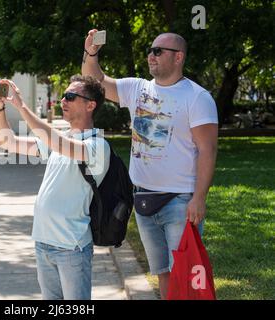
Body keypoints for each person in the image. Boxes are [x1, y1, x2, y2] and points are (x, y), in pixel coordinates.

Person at [82, 30, 218, 299]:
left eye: (158, 51)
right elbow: (94, 80)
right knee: (163, 272)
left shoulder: (197, 97)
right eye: (150, 50)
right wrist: (91, 52)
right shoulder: (137, 88)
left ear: (178, 57)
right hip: (143, 198)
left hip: (180, 201)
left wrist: (199, 198)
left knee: (185, 271)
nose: (150, 56)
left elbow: (208, 149)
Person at [0, 75, 110, 300]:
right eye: (63, 95)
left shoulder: (97, 146)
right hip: (43, 243)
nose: (63, 100)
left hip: (72, 248)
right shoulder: (59, 141)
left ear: (91, 105)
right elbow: (7, 142)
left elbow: (56, 142)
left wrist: (21, 105)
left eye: (71, 96)